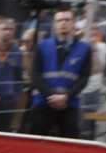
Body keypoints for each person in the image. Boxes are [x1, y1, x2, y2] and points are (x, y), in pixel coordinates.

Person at [27, 8, 91, 139]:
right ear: (55, 24)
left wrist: (66, 97)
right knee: (35, 142)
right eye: (59, 20)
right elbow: (35, 74)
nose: (63, 23)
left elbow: (84, 78)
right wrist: (51, 96)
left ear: (74, 22)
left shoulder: (84, 48)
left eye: (67, 20)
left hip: (69, 103)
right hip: (43, 102)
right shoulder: (42, 46)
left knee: (70, 143)